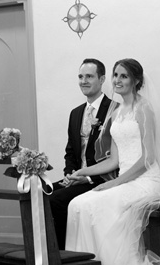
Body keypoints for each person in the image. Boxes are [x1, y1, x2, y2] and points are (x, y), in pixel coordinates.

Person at [65, 58, 160, 265]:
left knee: (97, 207)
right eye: (116, 75)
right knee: (77, 204)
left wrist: (115, 183)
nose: (117, 80)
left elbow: (148, 158)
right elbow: (113, 160)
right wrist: (83, 172)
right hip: (126, 179)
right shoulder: (117, 113)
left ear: (136, 81)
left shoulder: (144, 109)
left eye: (124, 76)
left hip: (147, 180)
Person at [49, 58, 116, 250]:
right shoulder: (76, 113)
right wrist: (70, 173)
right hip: (76, 177)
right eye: (80, 76)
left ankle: (62, 254)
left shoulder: (114, 111)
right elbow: (71, 151)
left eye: (89, 76)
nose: (83, 81)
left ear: (102, 79)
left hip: (100, 179)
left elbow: (115, 158)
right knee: (38, 194)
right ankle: (41, 252)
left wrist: (86, 177)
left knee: (56, 201)